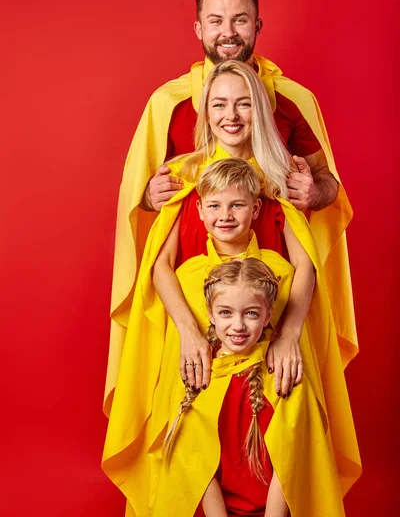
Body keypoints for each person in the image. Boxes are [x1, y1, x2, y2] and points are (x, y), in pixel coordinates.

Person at [105, 0, 356, 418]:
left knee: (281, 412)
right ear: (199, 28)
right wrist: (148, 194)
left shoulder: (290, 101)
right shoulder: (170, 103)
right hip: (193, 287)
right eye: (216, 20)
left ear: (257, 26)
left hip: (271, 290)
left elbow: (327, 187)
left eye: (240, 20)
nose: (227, 32)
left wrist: (314, 190)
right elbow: (142, 202)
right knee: (193, 411)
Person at [102, 154, 360, 516]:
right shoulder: (190, 277)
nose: (225, 215)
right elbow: (159, 267)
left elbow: (306, 269)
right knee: (187, 417)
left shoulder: (278, 270)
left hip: (262, 384)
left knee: (297, 407)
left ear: (255, 210)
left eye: (237, 205)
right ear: (201, 212)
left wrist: (287, 335)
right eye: (215, 206)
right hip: (209, 383)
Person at [152, 258, 346, 517]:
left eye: (251, 313)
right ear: (210, 313)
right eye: (225, 313)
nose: (238, 325)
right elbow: (196, 463)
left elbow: (290, 462)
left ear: (268, 315)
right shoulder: (199, 375)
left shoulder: (284, 374)